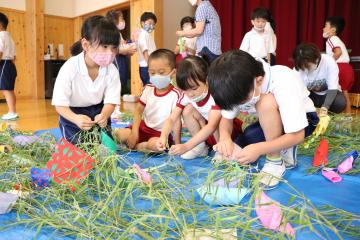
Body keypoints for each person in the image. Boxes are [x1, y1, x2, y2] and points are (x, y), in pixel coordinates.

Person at [207, 50, 318, 189]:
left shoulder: (283, 81)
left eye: (241, 102)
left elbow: (297, 135)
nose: (240, 106)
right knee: (245, 141)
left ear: (258, 80)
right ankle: (280, 146)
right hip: (271, 121)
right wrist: (224, 138)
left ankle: (275, 161)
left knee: (264, 102)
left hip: (304, 122)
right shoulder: (239, 80)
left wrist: (260, 149)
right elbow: (226, 119)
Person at [156, 56, 242, 159]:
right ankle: (200, 147)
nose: (190, 94)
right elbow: (172, 118)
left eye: (194, 88)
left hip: (228, 133)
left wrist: (186, 146)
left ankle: (222, 150)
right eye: (184, 90)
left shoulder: (215, 94)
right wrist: (163, 136)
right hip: (206, 134)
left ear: (207, 80)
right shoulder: (187, 95)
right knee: (187, 110)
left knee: (213, 116)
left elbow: (212, 126)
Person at [52, 15, 121, 144]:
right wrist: (75, 118)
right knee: (80, 154)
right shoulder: (69, 68)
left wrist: (104, 115)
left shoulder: (112, 70)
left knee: (108, 150)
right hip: (73, 113)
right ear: (86, 45)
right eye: (105, 46)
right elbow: (60, 105)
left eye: (113, 48)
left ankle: (117, 134)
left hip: (99, 111)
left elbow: (111, 101)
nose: (110, 52)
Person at [113, 49, 182, 152]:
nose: (156, 76)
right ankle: (135, 143)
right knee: (119, 135)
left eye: (161, 72)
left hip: (160, 135)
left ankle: (140, 147)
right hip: (143, 128)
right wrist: (134, 132)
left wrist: (178, 144)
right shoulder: (148, 89)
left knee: (156, 146)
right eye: (152, 73)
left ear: (173, 73)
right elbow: (138, 111)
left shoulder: (176, 95)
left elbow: (176, 121)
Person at [293, 43, 346, 116]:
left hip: (328, 94)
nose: (305, 69)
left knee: (340, 102)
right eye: (303, 67)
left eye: (307, 66)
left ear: (316, 58)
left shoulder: (328, 61)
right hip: (311, 95)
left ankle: (328, 115)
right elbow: (298, 92)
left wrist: (325, 106)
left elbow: (332, 88)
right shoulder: (298, 69)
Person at [323, 16, 354, 113]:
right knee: (345, 94)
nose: (323, 28)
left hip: (340, 68)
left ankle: (330, 114)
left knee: (333, 92)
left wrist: (329, 64)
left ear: (332, 30)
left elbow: (338, 52)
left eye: (325, 26)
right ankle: (348, 118)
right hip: (347, 68)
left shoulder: (331, 39)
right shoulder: (338, 39)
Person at [106, 9, 137, 95]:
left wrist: (130, 46)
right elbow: (112, 49)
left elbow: (122, 46)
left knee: (122, 80)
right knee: (117, 83)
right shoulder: (111, 34)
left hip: (122, 60)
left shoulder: (118, 33)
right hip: (116, 61)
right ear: (114, 21)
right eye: (121, 18)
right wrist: (127, 50)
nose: (123, 21)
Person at [0, 12, 18, 120]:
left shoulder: (0, 36)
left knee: (6, 89)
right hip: (10, 64)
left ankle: (12, 112)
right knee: (10, 89)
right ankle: (13, 111)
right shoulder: (9, 37)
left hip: (5, 64)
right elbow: (14, 57)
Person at [137, 12, 157, 86]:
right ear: (142, 23)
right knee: (149, 87)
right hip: (147, 66)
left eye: (153, 24)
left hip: (149, 65)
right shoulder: (143, 35)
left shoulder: (147, 34)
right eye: (150, 23)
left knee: (150, 87)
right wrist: (150, 67)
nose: (152, 26)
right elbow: (145, 51)